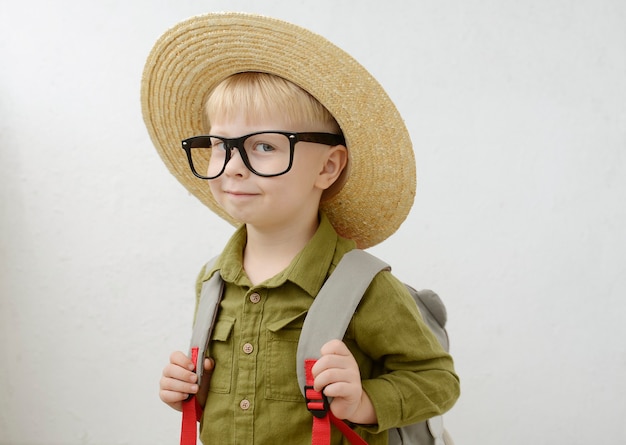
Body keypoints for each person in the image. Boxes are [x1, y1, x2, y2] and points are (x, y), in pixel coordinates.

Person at [141, 12, 460, 444]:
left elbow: (437, 378)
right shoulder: (213, 279)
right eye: (219, 145)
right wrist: (191, 390)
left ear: (328, 166)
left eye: (265, 146)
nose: (232, 167)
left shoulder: (362, 285)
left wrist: (364, 400)